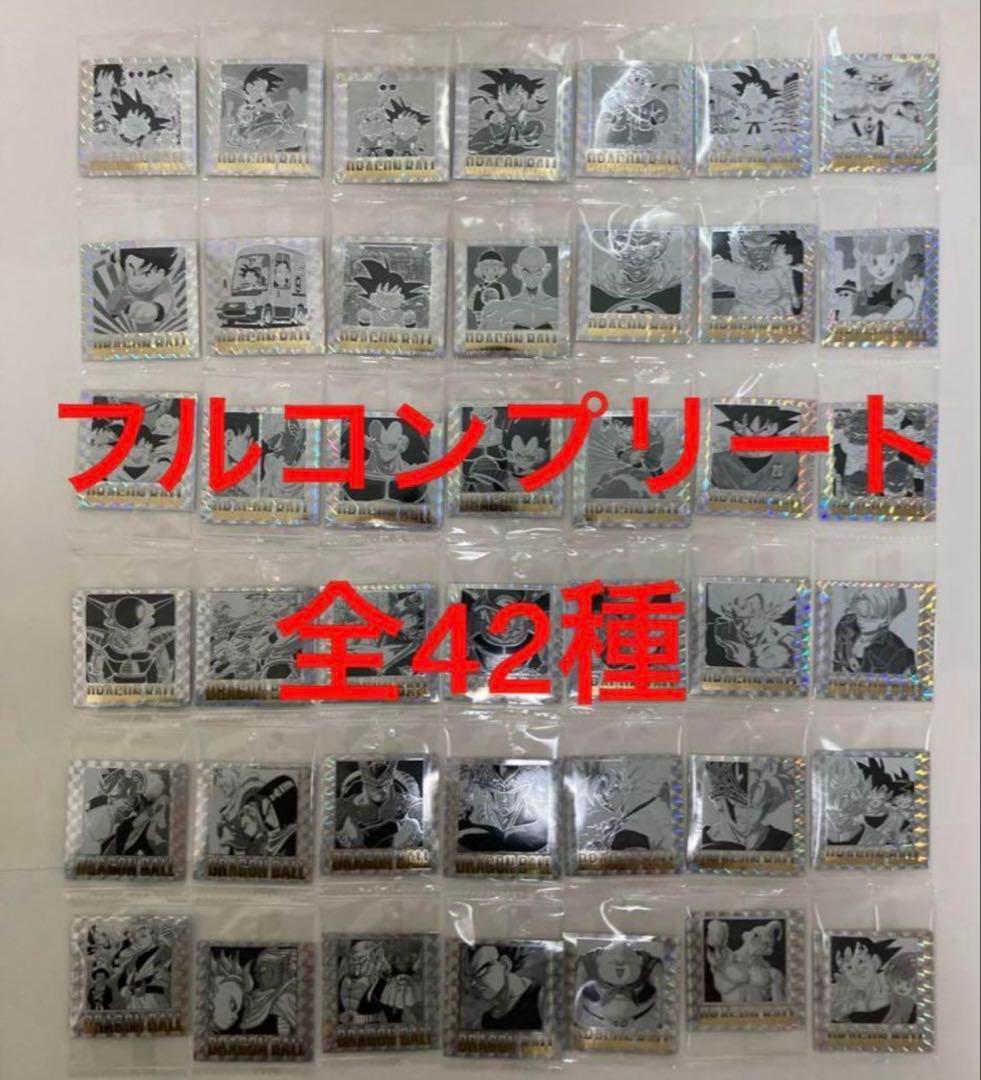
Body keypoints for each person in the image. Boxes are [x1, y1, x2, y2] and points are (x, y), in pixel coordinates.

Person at [833, 588, 915, 676]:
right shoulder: (846, 624)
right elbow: (836, 660)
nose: (861, 621)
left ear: (887, 619)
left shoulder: (897, 652)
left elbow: (910, 681)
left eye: (871, 618)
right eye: (859, 614)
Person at [466, 945, 542, 1030]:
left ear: (505, 964)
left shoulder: (541, 995)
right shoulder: (488, 1021)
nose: (473, 983)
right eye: (471, 979)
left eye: (480, 972)